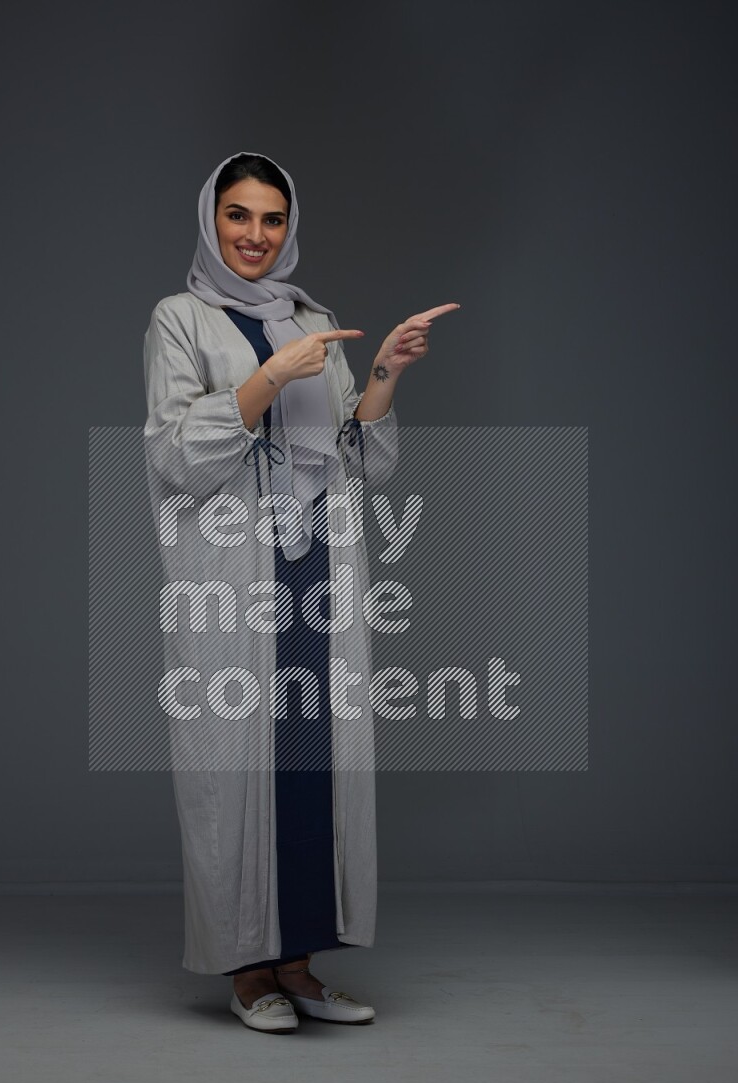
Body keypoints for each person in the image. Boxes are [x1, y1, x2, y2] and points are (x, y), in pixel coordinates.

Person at [143, 150, 459, 1033]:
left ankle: (300, 965)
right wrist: (272, 376)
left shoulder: (309, 317)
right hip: (233, 573)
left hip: (318, 564)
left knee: (314, 764)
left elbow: (359, 458)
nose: (255, 235)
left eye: (272, 219)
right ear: (212, 220)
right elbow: (173, 455)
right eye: (238, 215)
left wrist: (390, 369)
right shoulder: (179, 319)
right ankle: (248, 975)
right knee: (234, 765)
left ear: (289, 228)